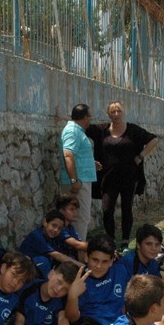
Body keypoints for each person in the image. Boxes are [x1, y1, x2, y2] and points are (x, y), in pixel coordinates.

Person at [89, 101, 159, 248]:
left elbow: (154, 139)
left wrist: (140, 156)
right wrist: (62, 118)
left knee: (127, 208)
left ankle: (125, 240)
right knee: (107, 209)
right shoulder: (101, 130)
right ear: (108, 114)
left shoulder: (133, 130)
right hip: (108, 178)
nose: (116, 114)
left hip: (129, 177)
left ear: (123, 112)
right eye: (113, 112)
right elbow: (81, 125)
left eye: (119, 111)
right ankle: (110, 240)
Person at [12, 263, 81, 325]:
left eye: (65, 289)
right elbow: (19, 320)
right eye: (59, 282)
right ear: (51, 274)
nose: (58, 289)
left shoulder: (61, 300)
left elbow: (62, 318)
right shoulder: (30, 289)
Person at [60, 103, 100, 241]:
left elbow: (76, 154)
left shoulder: (77, 131)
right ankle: (78, 249)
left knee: (79, 218)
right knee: (80, 218)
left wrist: (91, 163)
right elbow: (68, 155)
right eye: (90, 116)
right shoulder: (73, 131)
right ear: (85, 118)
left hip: (81, 180)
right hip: (78, 182)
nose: (90, 119)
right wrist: (74, 180)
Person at [18, 209, 75, 278]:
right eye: (54, 225)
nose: (56, 230)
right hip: (24, 271)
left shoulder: (51, 239)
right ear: (45, 222)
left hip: (37, 271)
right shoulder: (37, 236)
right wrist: (82, 266)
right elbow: (58, 256)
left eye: (59, 228)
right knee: (43, 261)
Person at [54, 193, 87, 261]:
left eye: (76, 209)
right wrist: (97, 246)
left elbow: (80, 247)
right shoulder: (58, 227)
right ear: (61, 210)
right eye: (71, 209)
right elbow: (77, 245)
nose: (75, 212)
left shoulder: (70, 228)